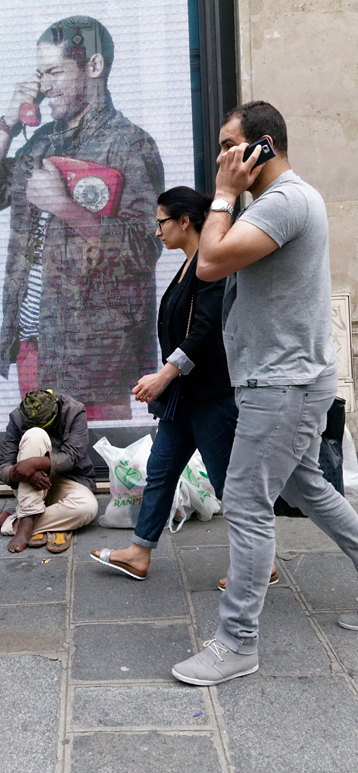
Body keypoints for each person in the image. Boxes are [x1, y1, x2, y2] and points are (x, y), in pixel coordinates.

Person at [172, 101, 358, 687]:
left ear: (264, 146)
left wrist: (224, 195)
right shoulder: (279, 202)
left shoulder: (285, 202)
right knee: (309, 487)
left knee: (249, 506)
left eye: (231, 145)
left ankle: (237, 642)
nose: (222, 158)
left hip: (281, 384)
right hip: (288, 380)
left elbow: (210, 262)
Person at [0, 15, 164, 420]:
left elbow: (145, 248)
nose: (45, 85)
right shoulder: (41, 141)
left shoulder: (131, 144)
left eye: (55, 71)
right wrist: (9, 122)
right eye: (40, 74)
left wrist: (64, 206)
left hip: (94, 353)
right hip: (34, 345)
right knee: (43, 471)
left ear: (94, 67)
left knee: (94, 471)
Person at [89, 187, 238, 579]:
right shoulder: (190, 263)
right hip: (184, 399)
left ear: (184, 222)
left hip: (208, 396)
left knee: (228, 483)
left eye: (161, 223)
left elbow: (207, 331)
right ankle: (139, 553)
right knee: (160, 470)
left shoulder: (209, 264)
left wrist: (165, 373)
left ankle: (261, 563)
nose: (157, 232)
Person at [0, 389, 98, 554]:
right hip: (30, 485)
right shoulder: (17, 416)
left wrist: (36, 462)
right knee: (35, 435)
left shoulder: (74, 410)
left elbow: (72, 456)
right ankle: (28, 519)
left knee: (87, 507)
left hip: (69, 480)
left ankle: (9, 522)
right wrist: (21, 473)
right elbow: (3, 467)